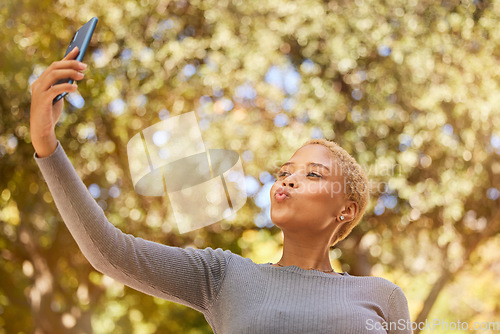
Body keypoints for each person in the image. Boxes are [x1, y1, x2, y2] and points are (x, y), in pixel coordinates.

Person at [30, 47, 412, 333]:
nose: (288, 180)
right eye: (284, 172)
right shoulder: (224, 276)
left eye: (313, 174)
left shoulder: (383, 297)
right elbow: (109, 251)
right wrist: (46, 142)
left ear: (345, 210)